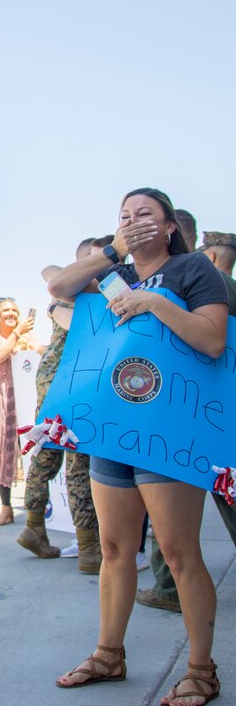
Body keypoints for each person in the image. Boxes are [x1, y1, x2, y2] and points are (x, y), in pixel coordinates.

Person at [48, 188, 228, 706]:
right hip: (114, 430)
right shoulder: (113, 274)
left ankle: (202, 670)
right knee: (113, 549)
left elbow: (213, 340)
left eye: (145, 213)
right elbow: (59, 285)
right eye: (124, 216)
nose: (133, 221)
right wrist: (112, 251)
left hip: (168, 432)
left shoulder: (194, 270)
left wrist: (153, 301)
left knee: (177, 552)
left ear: (170, 225)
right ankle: (108, 654)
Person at [136, 229, 236, 611]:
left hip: (186, 409)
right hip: (218, 411)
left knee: (171, 513)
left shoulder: (183, 279)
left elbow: (210, 340)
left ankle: (168, 588)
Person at [18, 241, 102, 572]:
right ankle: (88, 547)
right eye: (92, 258)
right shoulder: (75, 289)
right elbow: (72, 319)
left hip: (63, 379)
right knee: (76, 457)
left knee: (50, 451)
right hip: (67, 381)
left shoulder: (84, 288)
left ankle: (34, 526)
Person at [0, 298, 33, 526]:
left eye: (15, 310)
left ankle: (36, 509)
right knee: (4, 452)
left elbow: (40, 351)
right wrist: (16, 334)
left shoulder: (25, 336)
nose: (11, 314)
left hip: (25, 399)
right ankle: (6, 507)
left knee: (32, 450)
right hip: (0, 400)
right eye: (6, 310)